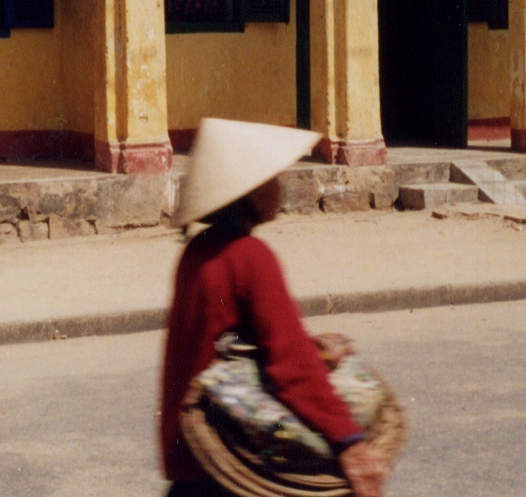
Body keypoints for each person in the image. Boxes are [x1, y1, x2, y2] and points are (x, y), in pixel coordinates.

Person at [159, 119, 390, 496]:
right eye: (273, 179)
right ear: (249, 191)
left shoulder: (196, 252)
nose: (280, 188)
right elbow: (291, 365)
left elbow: (233, 343)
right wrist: (349, 440)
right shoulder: (251, 257)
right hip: (232, 464)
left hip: (193, 456)